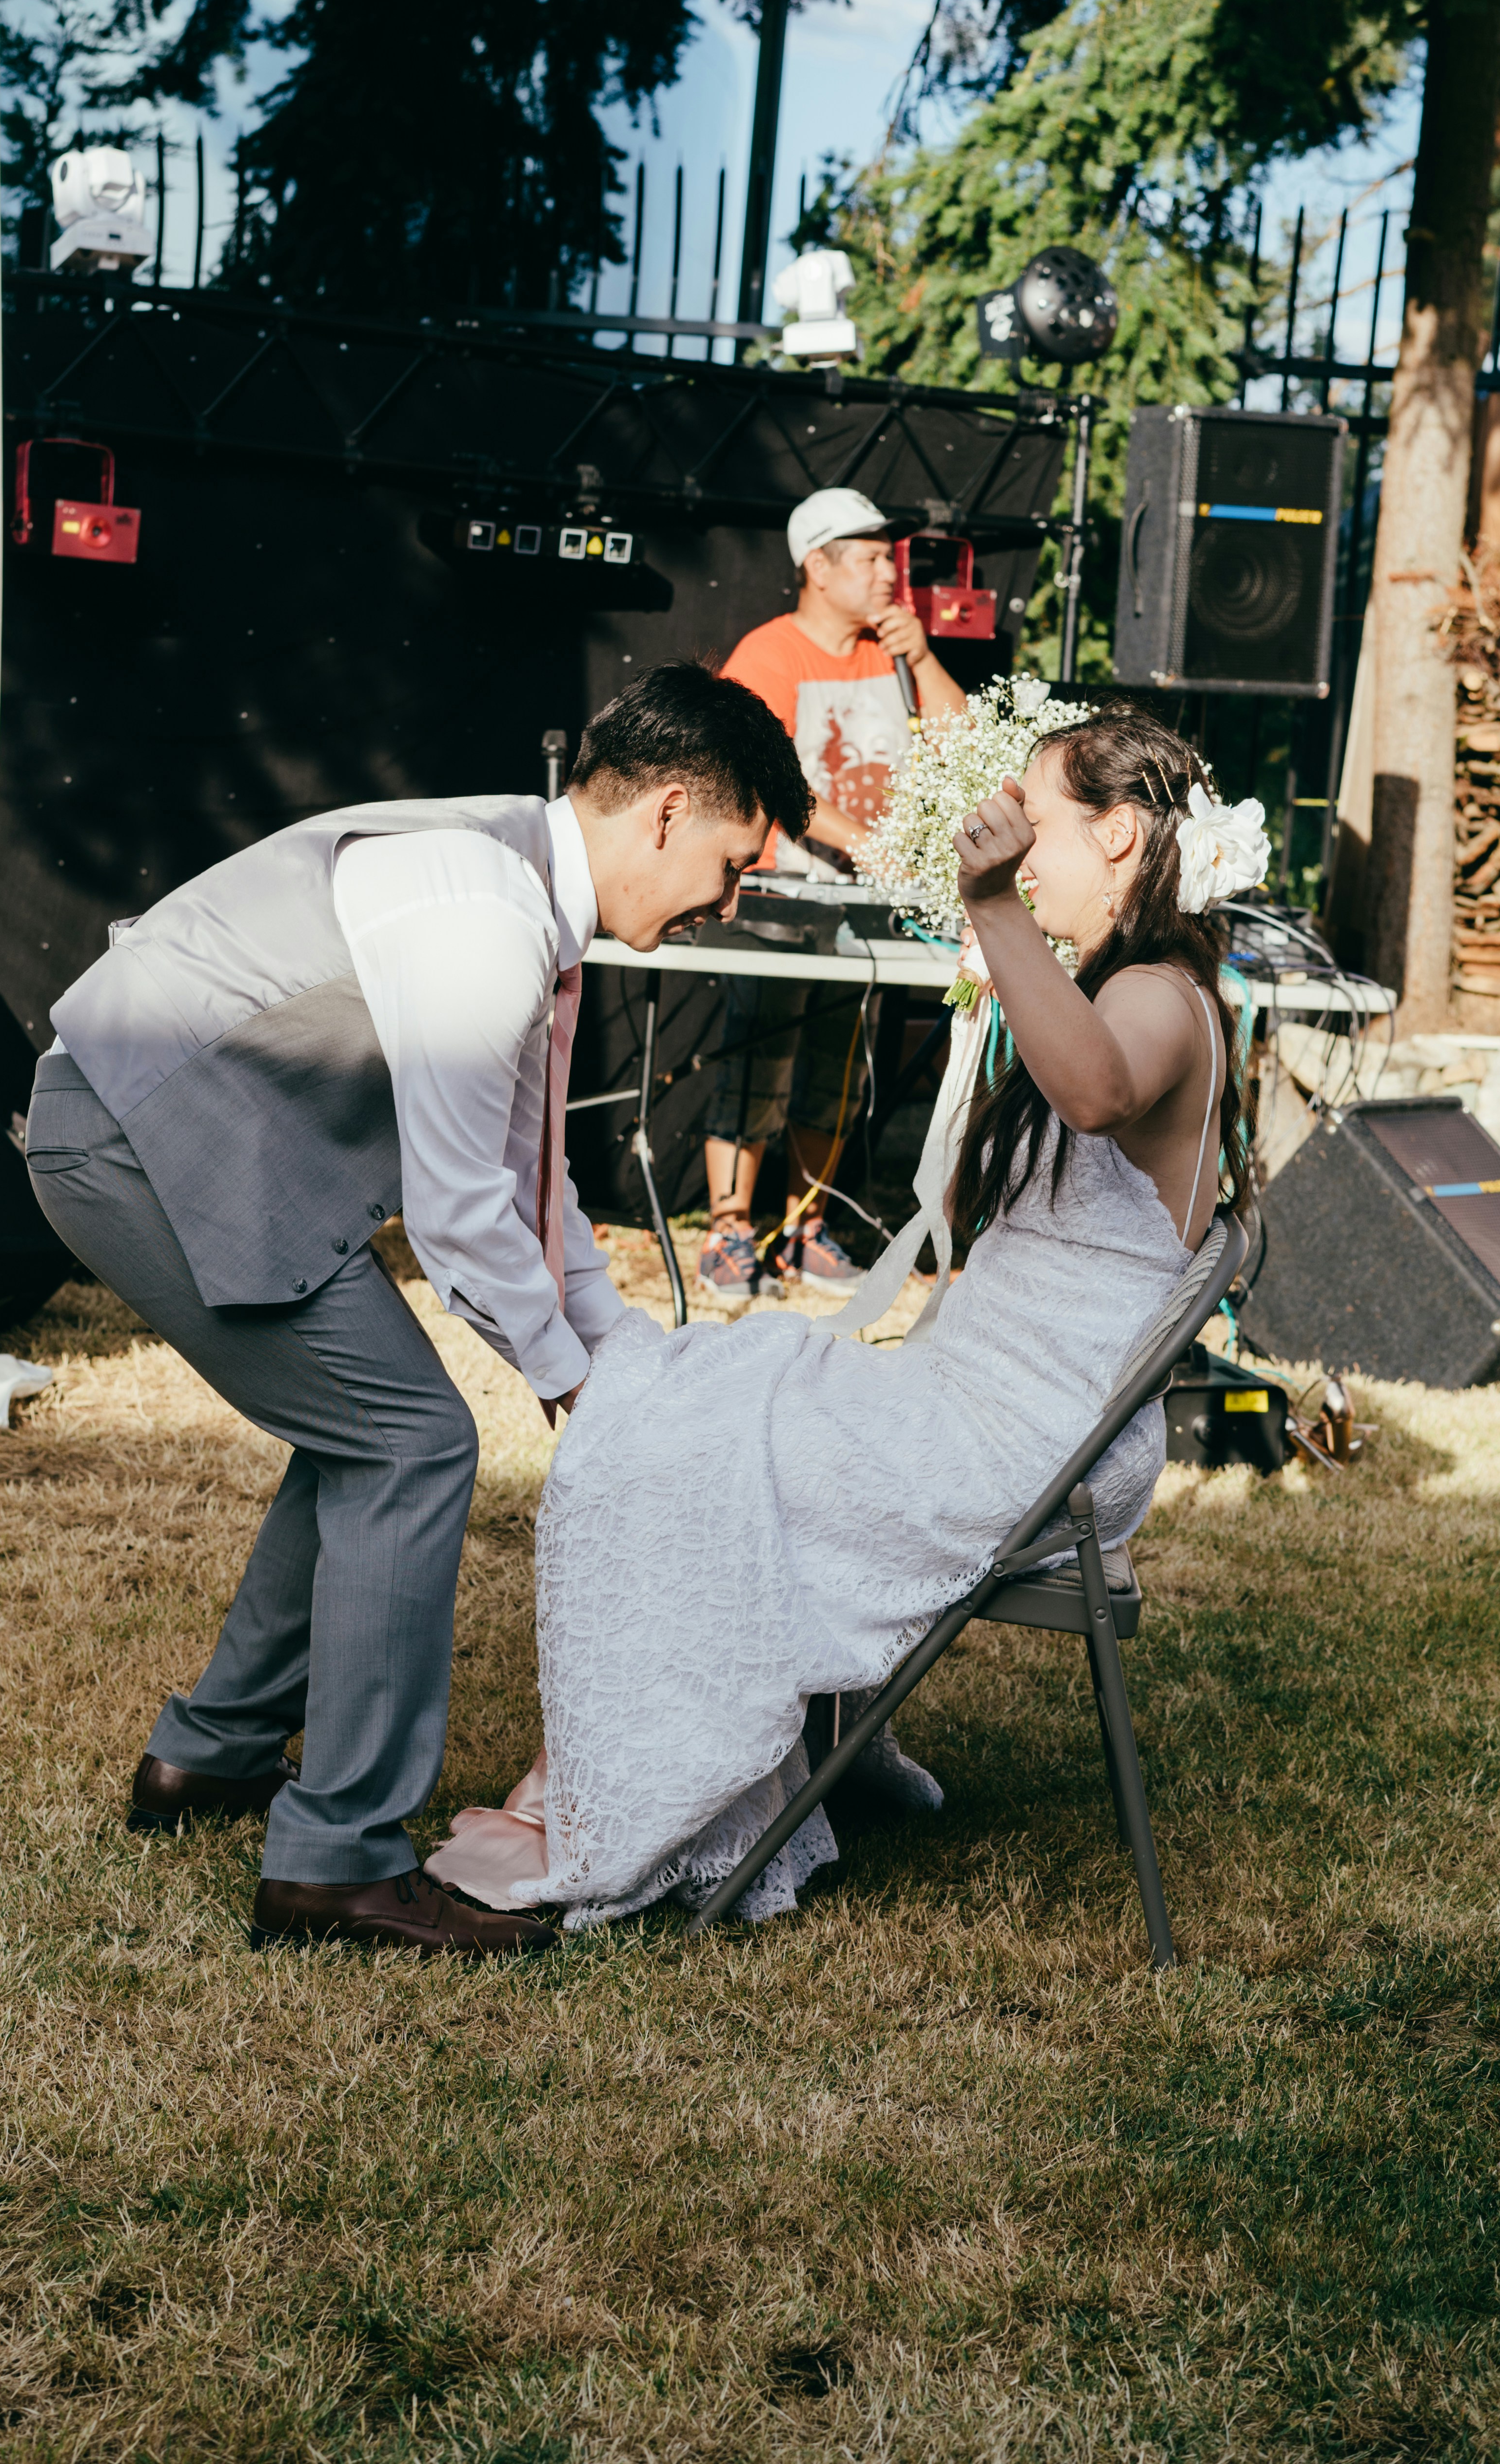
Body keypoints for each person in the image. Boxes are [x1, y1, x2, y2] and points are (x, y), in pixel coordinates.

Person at [24, 663, 812, 1959]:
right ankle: (335, 1864)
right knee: (415, 1442)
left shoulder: (520, 900)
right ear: (667, 813)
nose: (726, 904)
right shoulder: (480, 917)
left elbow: (531, 1190)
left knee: (367, 1432)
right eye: (732, 865)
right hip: (131, 1133)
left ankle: (209, 1758)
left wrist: (633, 1372)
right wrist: (570, 1390)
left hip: (174, 1133)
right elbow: (458, 1220)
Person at [425, 703, 1253, 1929]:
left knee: (693, 1437)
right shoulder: (1109, 981)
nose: (1018, 842)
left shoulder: (1166, 999)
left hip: (1033, 1445)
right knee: (711, 1390)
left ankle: (631, 1794)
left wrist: (992, 910)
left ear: (1120, 835)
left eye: (1041, 819)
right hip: (986, 1400)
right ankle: (710, 1756)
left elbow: (1092, 1092)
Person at [699, 486, 970, 1300]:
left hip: (869, 905)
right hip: (783, 897)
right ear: (818, 568)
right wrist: (873, 847)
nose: (891, 576)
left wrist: (922, 658)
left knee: (840, 1066)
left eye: (890, 559)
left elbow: (961, 746)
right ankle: (729, 1234)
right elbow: (768, 782)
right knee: (759, 1057)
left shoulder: (890, 654)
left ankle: (803, 1231)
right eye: (871, 560)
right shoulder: (770, 656)